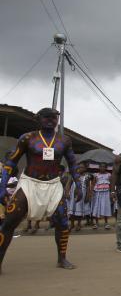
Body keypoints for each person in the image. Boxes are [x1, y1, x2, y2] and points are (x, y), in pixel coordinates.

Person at [0, 107, 81, 272]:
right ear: (38, 119)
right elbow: (11, 162)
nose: (51, 120)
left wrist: (78, 184)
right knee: (9, 222)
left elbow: (73, 164)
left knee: (63, 222)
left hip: (53, 185)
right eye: (47, 117)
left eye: (54, 117)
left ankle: (62, 258)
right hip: (30, 183)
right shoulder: (28, 138)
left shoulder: (64, 141)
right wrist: (2, 187)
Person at [68, 162, 91, 232]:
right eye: (79, 167)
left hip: (81, 196)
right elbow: (69, 184)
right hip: (72, 195)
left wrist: (87, 196)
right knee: (71, 210)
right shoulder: (74, 175)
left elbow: (87, 187)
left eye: (82, 167)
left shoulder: (86, 177)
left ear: (85, 169)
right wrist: (66, 192)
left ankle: (78, 224)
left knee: (79, 210)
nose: (80, 169)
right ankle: (72, 224)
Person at [90, 162, 112, 230]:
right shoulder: (96, 175)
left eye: (104, 167)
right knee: (97, 207)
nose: (102, 168)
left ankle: (106, 223)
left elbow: (111, 185)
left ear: (106, 168)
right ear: (99, 168)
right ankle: (96, 223)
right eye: (101, 166)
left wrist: (112, 193)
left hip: (106, 193)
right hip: (97, 193)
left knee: (106, 207)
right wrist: (91, 193)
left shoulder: (109, 175)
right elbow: (93, 184)